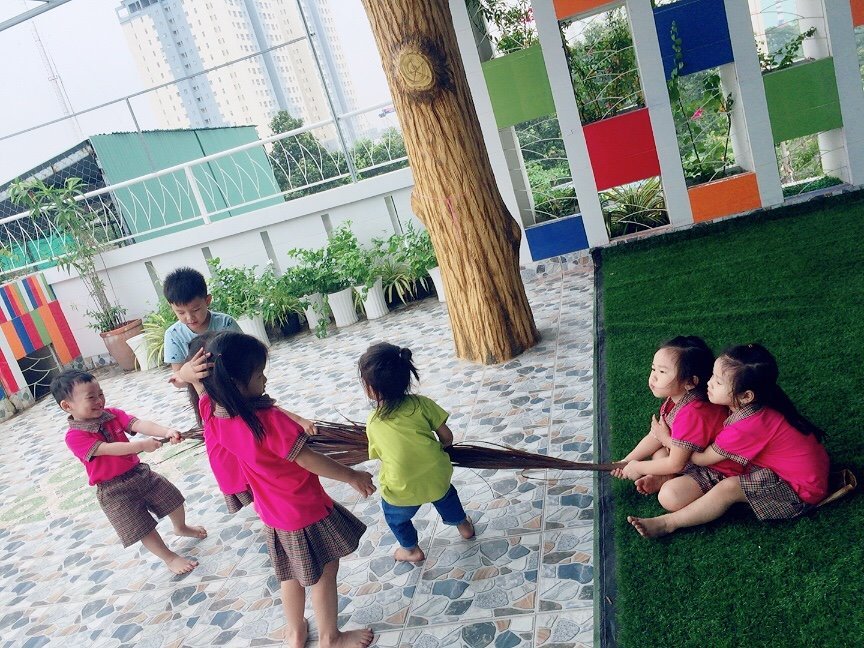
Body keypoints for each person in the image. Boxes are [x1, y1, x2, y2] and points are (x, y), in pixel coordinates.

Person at [178, 332, 376, 648]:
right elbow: (309, 459)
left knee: (290, 574)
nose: (265, 379)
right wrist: (351, 475)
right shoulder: (267, 420)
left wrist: (188, 375)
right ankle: (330, 637)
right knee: (325, 571)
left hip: (272, 513)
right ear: (236, 383)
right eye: (259, 375)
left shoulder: (213, 414)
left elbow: (202, 390)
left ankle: (295, 631)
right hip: (304, 509)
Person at [628, 343, 830, 539]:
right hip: (801, 473)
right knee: (673, 460)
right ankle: (668, 477)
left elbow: (700, 458)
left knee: (729, 487)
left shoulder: (747, 427)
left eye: (718, 382)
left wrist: (666, 438)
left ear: (746, 396)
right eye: (712, 376)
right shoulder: (751, 406)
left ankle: (668, 523)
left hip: (799, 490)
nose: (708, 383)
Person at [54, 370, 206, 574]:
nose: (99, 400)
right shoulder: (74, 436)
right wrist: (141, 445)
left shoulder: (112, 414)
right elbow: (107, 449)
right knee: (142, 527)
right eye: (91, 397)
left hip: (138, 473)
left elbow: (139, 424)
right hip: (112, 490)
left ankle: (181, 527)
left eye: (100, 394)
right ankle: (169, 558)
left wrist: (166, 431)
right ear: (67, 406)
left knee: (172, 498)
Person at [358, 342, 475, 563]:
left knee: (395, 517)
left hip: (402, 488)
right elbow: (447, 437)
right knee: (445, 495)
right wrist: (441, 449)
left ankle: (411, 550)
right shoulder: (422, 404)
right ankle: (464, 527)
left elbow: (380, 455)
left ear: (371, 389)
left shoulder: (373, 422)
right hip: (437, 475)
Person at [612, 336, 734, 498]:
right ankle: (664, 477)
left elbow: (676, 463)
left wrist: (638, 467)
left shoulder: (693, 413)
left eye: (662, 372)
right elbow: (656, 436)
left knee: (669, 497)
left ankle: (668, 478)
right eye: (653, 369)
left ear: (690, 382)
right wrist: (626, 461)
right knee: (659, 451)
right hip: (686, 455)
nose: (653, 377)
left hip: (716, 469)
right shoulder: (677, 398)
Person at [162, 266, 240, 385]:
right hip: (200, 391)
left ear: (207, 300)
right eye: (181, 313)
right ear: (171, 307)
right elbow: (178, 377)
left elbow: (245, 356)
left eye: (196, 310)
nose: (189, 317)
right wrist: (186, 375)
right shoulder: (173, 335)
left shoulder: (225, 323)